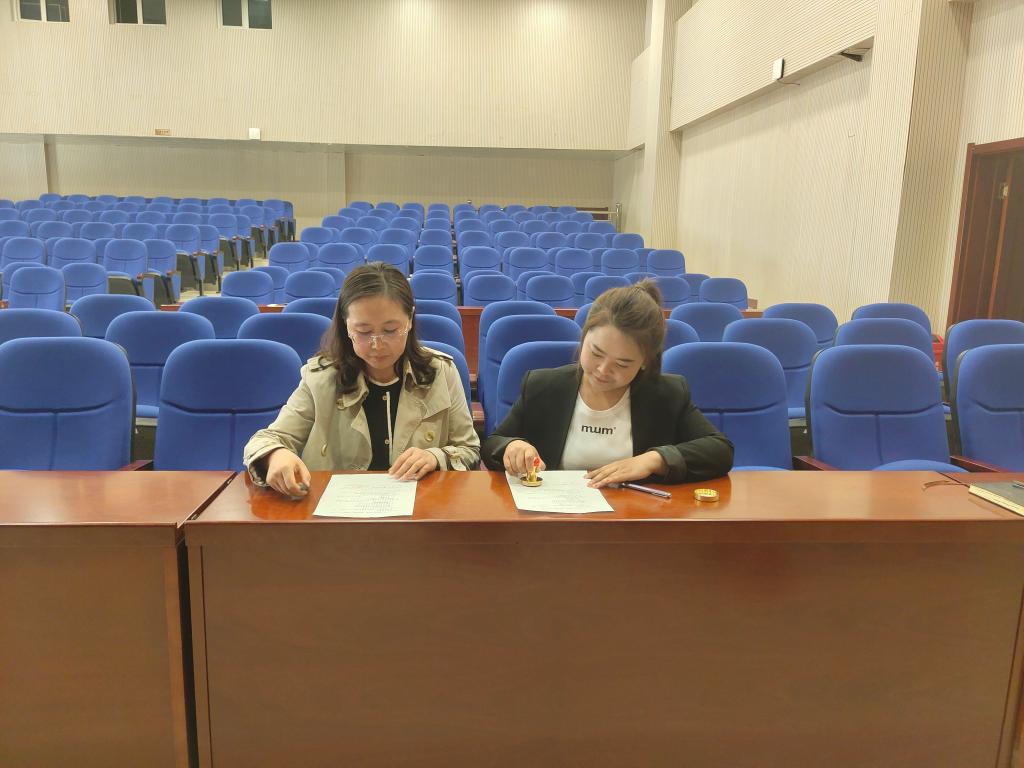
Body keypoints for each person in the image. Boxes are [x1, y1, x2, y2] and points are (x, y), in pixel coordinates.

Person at [244, 262, 480, 496]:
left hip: (421, 506)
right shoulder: (321, 377)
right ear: (346, 326)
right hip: (338, 511)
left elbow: (469, 450)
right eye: (364, 332)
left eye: (390, 330)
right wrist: (276, 455)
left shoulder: (441, 372)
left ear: (409, 319)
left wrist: (435, 456)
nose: (377, 345)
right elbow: (267, 439)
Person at [481, 280, 733, 486]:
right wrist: (512, 446)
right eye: (596, 353)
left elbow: (720, 450)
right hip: (556, 519)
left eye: (622, 364)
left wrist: (654, 459)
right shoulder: (543, 386)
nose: (603, 370)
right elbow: (494, 443)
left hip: (633, 517)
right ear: (584, 338)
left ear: (645, 362)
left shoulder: (667, 394)